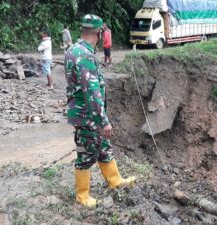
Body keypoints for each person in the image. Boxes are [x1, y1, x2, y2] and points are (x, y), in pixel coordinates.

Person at [64, 14, 136, 209]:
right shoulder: (85, 56)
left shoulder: (74, 50)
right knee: (87, 154)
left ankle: (114, 180)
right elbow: (91, 92)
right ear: (98, 32)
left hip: (86, 114)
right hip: (88, 116)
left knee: (103, 148)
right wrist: (103, 121)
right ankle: (82, 195)